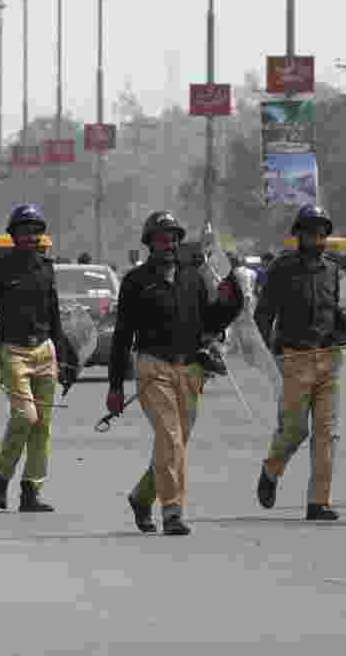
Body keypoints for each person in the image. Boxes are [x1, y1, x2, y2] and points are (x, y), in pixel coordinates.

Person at [109, 210, 242, 535]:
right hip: (153, 368)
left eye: (173, 238)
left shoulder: (193, 277)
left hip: (190, 369)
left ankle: (142, 497)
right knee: (169, 436)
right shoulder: (136, 282)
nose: (168, 243)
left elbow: (209, 323)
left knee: (175, 443)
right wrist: (115, 386)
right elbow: (123, 335)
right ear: (150, 244)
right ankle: (172, 511)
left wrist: (231, 300)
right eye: (161, 238)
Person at [0, 204, 76, 513]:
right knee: (25, 416)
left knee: (43, 425)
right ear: (13, 235)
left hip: (44, 350)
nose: (30, 237)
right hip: (13, 351)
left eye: (35, 231)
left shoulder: (46, 268)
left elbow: (54, 314)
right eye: (24, 231)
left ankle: (32, 490)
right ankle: (0, 475)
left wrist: (66, 355)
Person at [254, 204, 346, 521]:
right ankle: (271, 470)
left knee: (327, 433)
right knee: (294, 430)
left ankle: (318, 501)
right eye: (311, 231)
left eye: (322, 232)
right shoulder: (282, 269)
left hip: (328, 359)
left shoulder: (334, 271)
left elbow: (340, 314)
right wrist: (266, 353)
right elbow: (264, 314)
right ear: (299, 235)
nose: (318, 237)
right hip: (294, 358)